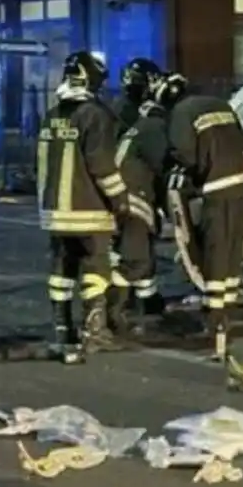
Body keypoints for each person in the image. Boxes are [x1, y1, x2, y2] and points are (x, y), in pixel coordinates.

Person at [37, 51, 130, 363]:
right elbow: (100, 164)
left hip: (54, 213)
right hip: (88, 210)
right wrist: (120, 200)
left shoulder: (52, 114)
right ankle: (95, 331)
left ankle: (63, 330)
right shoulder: (95, 114)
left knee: (61, 271)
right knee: (96, 267)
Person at [150, 71, 243, 341]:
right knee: (232, 245)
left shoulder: (182, 112)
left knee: (216, 248)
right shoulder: (220, 103)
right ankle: (227, 309)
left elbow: (183, 153)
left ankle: (215, 317)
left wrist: (188, 179)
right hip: (242, 182)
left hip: (215, 186)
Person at [107, 58, 169, 332]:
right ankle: (113, 307)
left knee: (135, 248)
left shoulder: (121, 111)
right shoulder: (139, 118)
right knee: (135, 253)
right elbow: (159, 160)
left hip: (117, 189)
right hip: (132, 190)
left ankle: (147, 298)